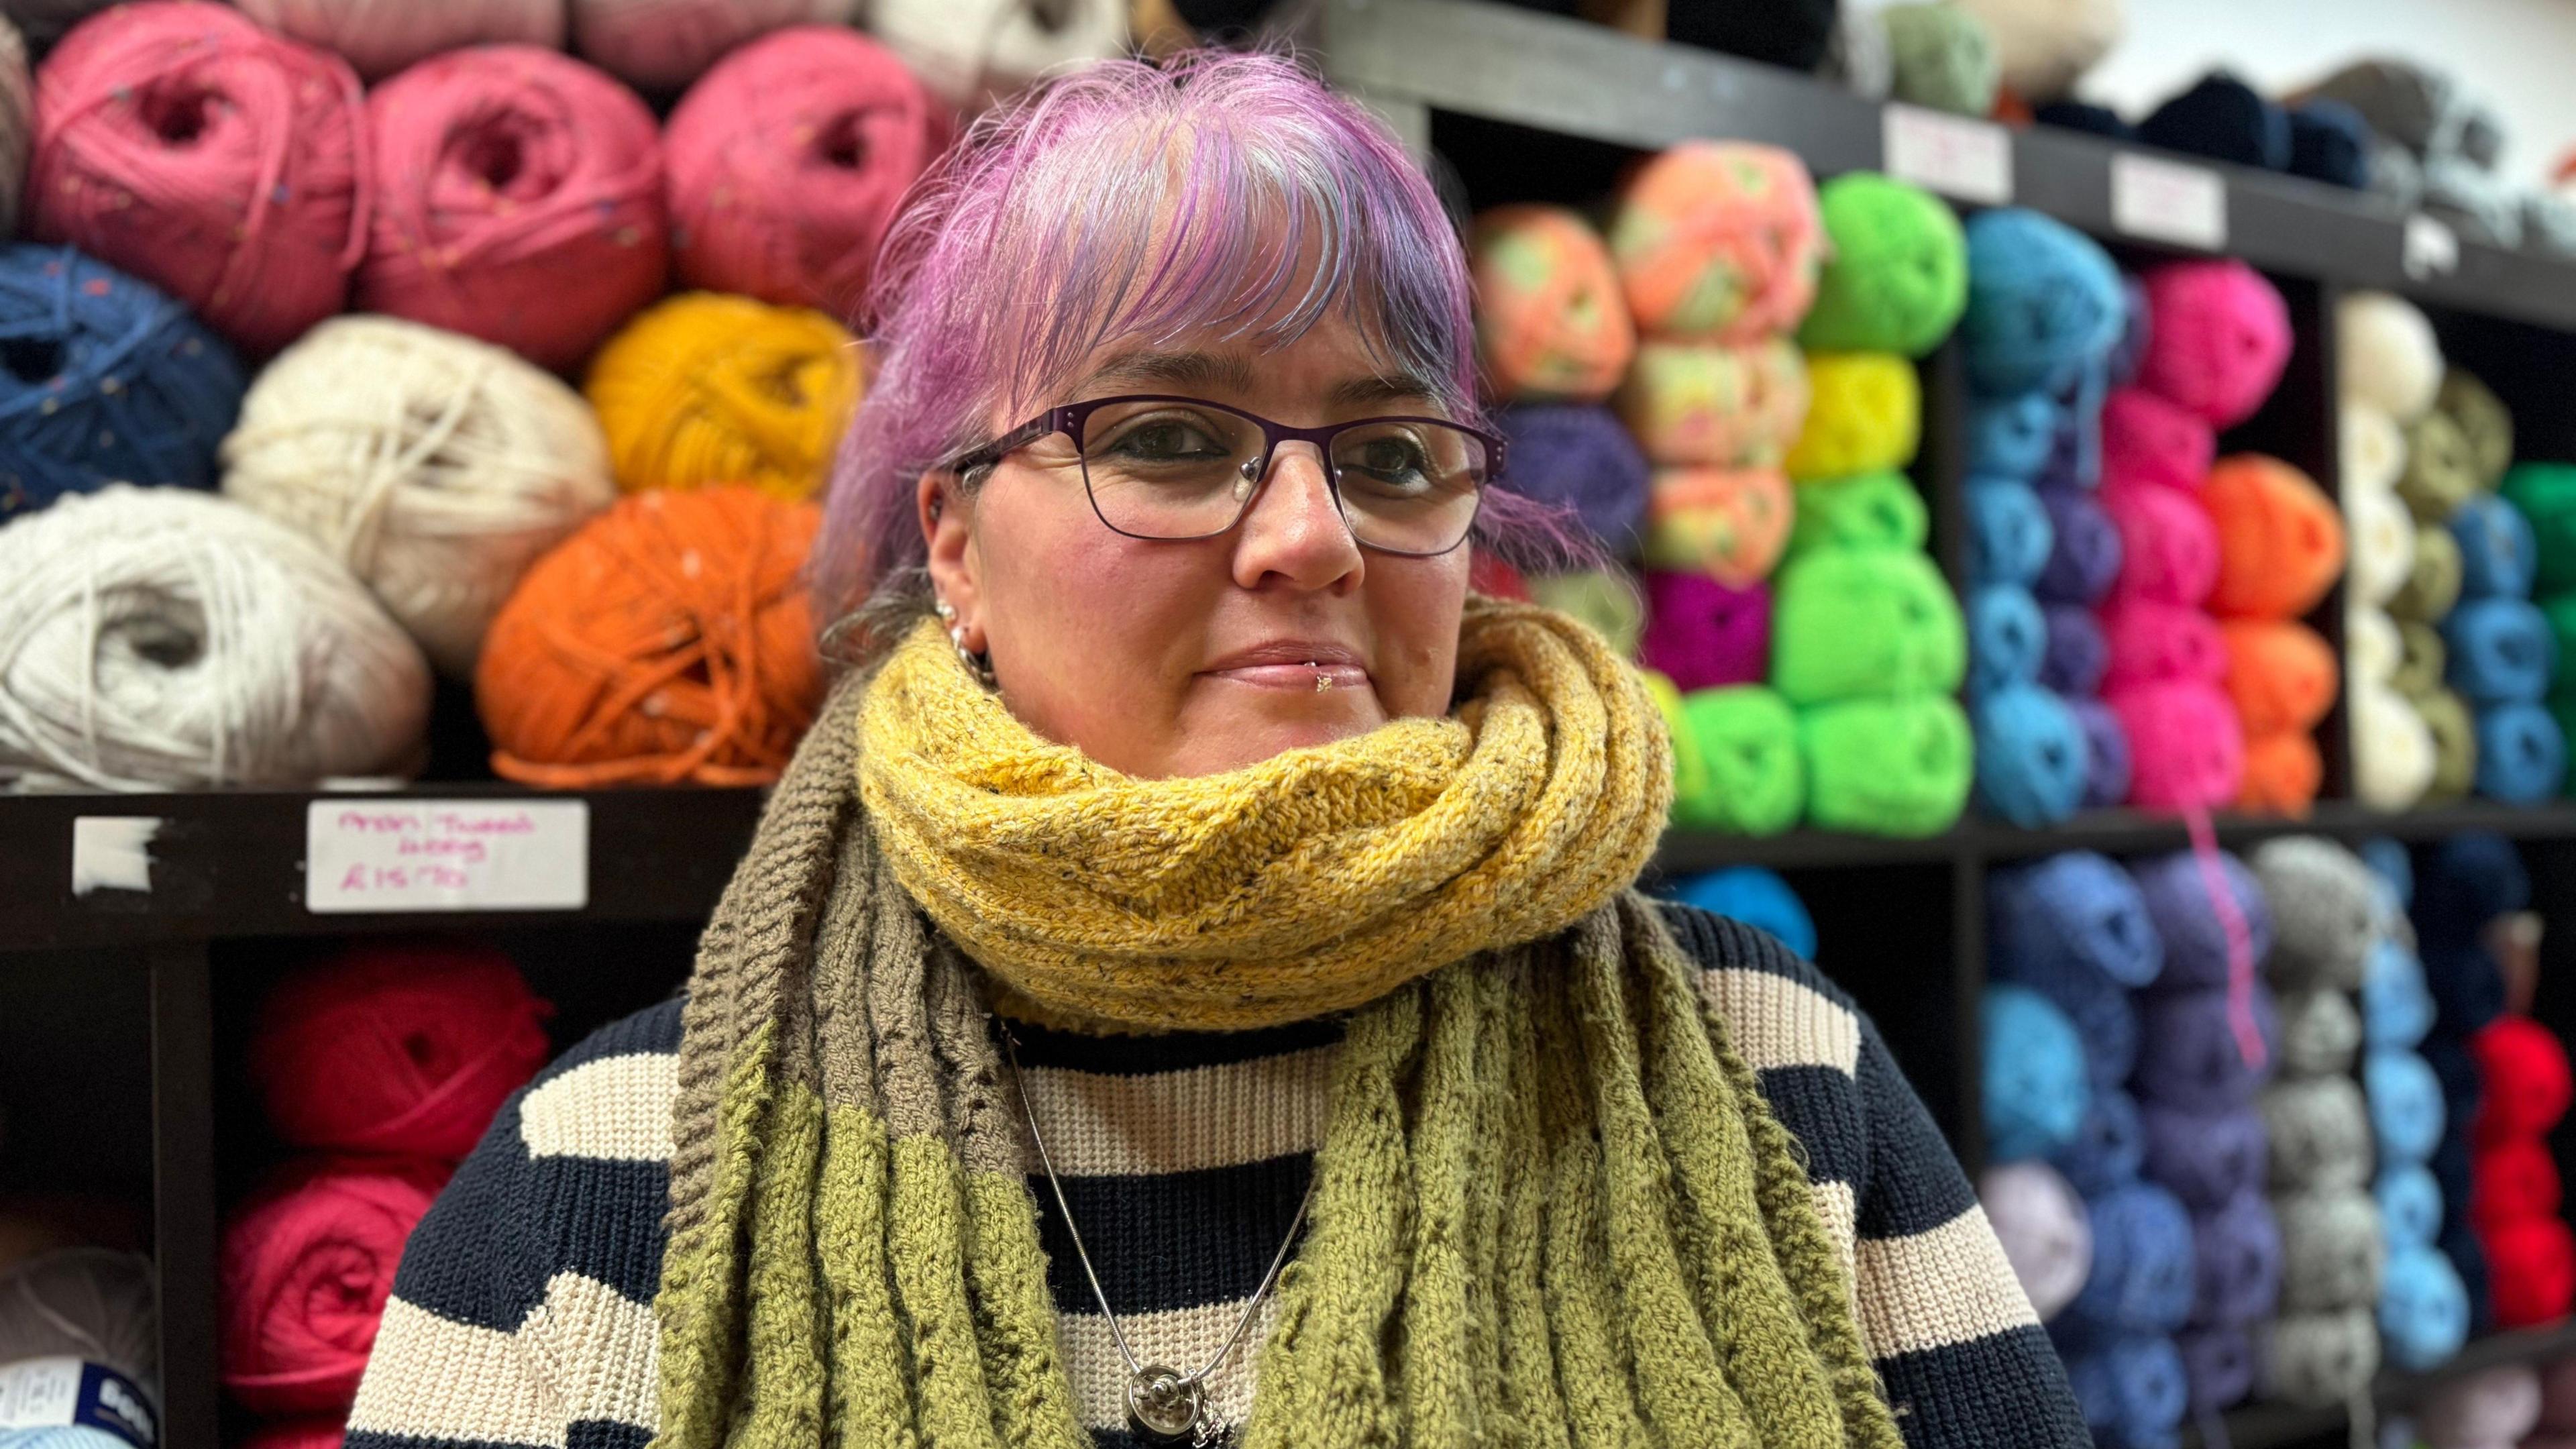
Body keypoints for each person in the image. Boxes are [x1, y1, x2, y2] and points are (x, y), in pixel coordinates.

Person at [347, 51, 2087, 1449]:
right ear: (953, 546)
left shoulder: (1781, 1084)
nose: (1316, 537)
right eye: (1174, 437)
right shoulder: (613, 1182)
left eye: (1396, 455)